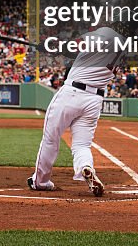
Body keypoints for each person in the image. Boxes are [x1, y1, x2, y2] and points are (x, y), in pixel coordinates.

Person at [28, 27, 124, 197]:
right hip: (94, 100)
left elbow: (74, 47)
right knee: (82, 144)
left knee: (50, 138)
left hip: (72, 93)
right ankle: (85, 166)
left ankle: (40, 181)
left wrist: (49, 47)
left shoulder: (105, 32)